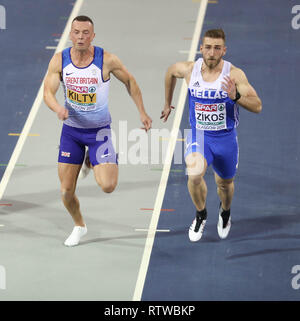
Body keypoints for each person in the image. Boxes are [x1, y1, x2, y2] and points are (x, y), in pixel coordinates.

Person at [44, 15, 152, 246]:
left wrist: (142, 112)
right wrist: (57, 108)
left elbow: (130, 82)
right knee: (65, 191)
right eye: (76, 32)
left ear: (93, 36)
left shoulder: (107, 60)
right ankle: (79, 226)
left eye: (85, 33)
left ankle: (94, 160)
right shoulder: (59, 61)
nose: (81, 37)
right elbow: (48, 93)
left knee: (108, 186)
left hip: (98, 132)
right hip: (71, 132)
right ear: (70, 34)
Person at [161, 29, 262, 241]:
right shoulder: (190, 70)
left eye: (217, 48)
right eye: (208, 47)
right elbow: (170, 72)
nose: (212, 52)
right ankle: (201, 214)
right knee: (194, 173)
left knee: (224, 185)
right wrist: (167, 102)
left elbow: (257, 105)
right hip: (200, 136)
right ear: (201, 48)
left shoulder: (234, 75)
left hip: (225, 138)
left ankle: (225, 212)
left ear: (224, 50)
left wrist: (235, 97)